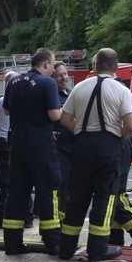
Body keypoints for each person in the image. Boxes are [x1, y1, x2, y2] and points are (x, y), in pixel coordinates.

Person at [57, 48, 132, 262]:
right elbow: (131, 125)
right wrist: (116, 136)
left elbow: (64, 118)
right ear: (116, 68)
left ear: (94, 66)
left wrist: (80, 131)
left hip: (82, 147)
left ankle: (66, 248)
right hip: (108, 148)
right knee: (105, 197)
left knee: (77, 198)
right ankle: (98, 249)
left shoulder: (80, 87)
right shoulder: (121, 90)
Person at [1, 48, 62, 256]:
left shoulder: (14, 82)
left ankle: (12, 243)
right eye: (53, 65)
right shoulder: (48, 83)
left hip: (17, 142)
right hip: (41, 143)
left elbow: (7, 110)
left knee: (16, 192)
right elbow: (54, 115)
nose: (54, 69)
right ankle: (53, 243)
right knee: (48, 190)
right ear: (45, 64)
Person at [0, 72, 34, 229]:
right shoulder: (29, 99)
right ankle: (27, 216)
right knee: (24, 181)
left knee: (5, 183)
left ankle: (2, 216)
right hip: (23, 143)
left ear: (6, 84)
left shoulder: (1, 101)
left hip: (4, 145)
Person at [51, 60, 75, 217]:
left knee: (73, 186)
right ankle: (57, 222)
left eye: (65, 74)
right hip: (58, 148)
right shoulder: (51, 95)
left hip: (74, 147)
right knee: (61, 185)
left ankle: (67, 218)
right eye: (59, 75)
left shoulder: (72, 93)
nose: (64, 77)